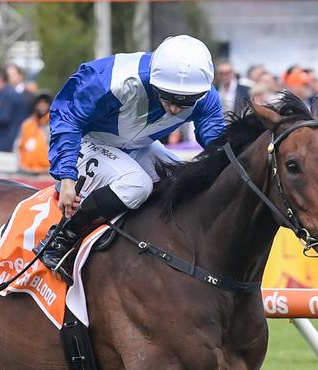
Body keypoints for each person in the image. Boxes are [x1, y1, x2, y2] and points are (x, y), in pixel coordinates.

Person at [34, 35, 225, 280]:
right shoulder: (112, 79)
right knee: (136, 184)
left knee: (182, 181)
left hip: (138, 145)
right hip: (88, 141)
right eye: (168, 97)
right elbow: (67, 116)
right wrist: (67, 176)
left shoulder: (204, 94)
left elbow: (218, 141)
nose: (176, 109)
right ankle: (62, 237)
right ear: (155, 82)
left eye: (185, 102)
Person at [17, 91, 52, 173]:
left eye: (45, 103)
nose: (42, 105)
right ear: (35, 105)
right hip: (26, 172)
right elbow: (18, 146)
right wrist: (20, 165)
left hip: (47, 174)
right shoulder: (27, 124)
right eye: (40, 103)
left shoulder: (55, 125)